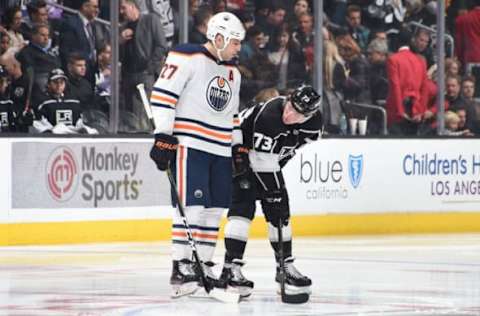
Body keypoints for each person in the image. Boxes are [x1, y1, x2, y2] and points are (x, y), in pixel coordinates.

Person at [148, 11, 245, 298]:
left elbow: (234, 114)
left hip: (220, 147)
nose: (239, 47)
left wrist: (238, 146)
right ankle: (181, 265)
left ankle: (203, 264)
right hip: (190, 143)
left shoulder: (233, 73)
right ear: (219, 38)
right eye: (235, 42)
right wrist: (163, 135)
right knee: (191, 205)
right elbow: (164, 95)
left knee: (215, 209)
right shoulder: (186, 56)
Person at [218, 85, 322, 299]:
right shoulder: (270, 115)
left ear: (309, 116)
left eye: (298, 113)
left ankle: (285, 267)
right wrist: (273, 190)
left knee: (280, 212)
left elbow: (283, 153)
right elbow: (260, 159)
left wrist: (275, 193)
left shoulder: (314, 127)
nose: (289, 114)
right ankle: (230, 269)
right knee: (242, 210)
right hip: (237, 155)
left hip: (266, 159)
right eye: (290, 106)